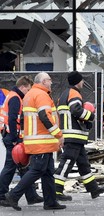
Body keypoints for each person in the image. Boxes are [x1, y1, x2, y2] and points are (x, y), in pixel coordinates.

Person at [5, 72, 66, 211]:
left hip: (38, 141)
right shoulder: (41, 95)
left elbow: (23, 119)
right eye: (49, 80)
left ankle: (50, 202)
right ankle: (13, 195)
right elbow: (45, 116)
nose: (51, 82)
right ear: (44, 81)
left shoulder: (30, 95)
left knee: (48, 172)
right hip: (42, 142)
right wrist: (58, 135)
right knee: (38, 170)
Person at [54, 71, 104, 201]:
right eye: (82, 80)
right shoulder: (74, 93)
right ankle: (56, 190)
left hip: (73, 136)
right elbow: (76, 110)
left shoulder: (65, 93)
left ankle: (93, 189)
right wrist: (91, 117)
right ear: (78, 82)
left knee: (83, 164)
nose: (83, 82)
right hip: (73, 136)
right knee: (66, 163)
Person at [0, 76, 44, 207]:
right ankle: (1, 195)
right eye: (28, 89)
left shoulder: (13, 95)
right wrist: (14, 139)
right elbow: (13, 119)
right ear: (23, 87)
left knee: (24, 167)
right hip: (12, 137)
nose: (29, 92)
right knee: (10, 167)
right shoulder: (15, 98)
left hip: (9, 135)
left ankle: (31, 196)